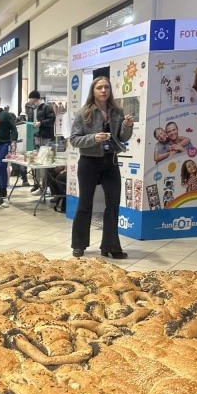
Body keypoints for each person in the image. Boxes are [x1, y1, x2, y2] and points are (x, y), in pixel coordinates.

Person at [69, 75, 133, 259]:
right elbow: (74, 140)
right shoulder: (84, 112)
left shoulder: (117, 111)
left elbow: (122, 137)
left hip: (110, 160)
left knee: (113, 204)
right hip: (89, 161)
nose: (103, 90)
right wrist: (93, 138)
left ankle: (110, 246)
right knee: (85, 204)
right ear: (93, 91)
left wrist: (127, 126)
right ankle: (79, 244)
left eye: (106, 87)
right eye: (99, 88)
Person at [26, 89, 56, 194]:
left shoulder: (46, 107)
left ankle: (44, 186)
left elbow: (52, 120)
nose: (29, 100)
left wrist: (41, 123)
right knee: (36, 161)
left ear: (35, 98)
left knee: (45, 161)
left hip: (45, 137)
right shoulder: (32, 109)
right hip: (36, 138)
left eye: (30, 98)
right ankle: (37, 184)